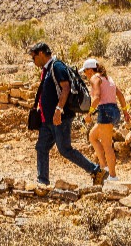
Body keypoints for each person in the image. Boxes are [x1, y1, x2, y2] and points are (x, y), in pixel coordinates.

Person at [29, 42, 107, 187]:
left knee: (65, 149)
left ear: (41, 54)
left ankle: (96, 171)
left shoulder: (57, 66)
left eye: (33, 57)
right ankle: (42, 181)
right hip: (48, 120)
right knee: (41, 147)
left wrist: (58, 110)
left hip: (61, 118)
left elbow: (66, 88)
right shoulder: (47, 70)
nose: (33, 61)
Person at [81, 57, 130, 181]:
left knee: (107, 145)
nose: (85, 74)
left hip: (105, 111)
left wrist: (89, 114)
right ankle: (104, 168)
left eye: (85, 71)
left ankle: (113, 176)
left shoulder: (95, 78)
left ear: (90, 70)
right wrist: (125, 112)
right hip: (115, 111)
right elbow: (120, 95)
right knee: (92, 136)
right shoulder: (108, 78)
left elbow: (97, 97)